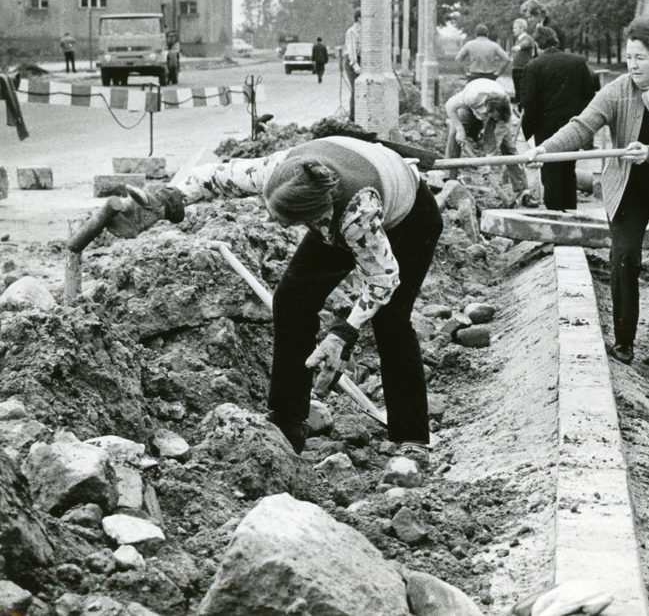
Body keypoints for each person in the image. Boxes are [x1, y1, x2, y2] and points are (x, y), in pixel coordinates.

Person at [106, 137, 444, 468]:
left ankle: (412, 439)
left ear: (316, 214)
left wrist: (343, 333)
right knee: (292, 300)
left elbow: (382, 280)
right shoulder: (281, 171)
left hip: (409, 219)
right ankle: (287, 422)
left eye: (283, 220)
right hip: (342, 210)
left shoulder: (357, 215)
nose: (270, 222)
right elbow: (214, 178)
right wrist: (165, 201)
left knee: (391, 320)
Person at [525, 15, 649, 367]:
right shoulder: (617, 90)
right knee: (624, 257)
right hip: (628, 187)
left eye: (641, 58)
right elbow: (582, 125)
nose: (632, 65)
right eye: (629, 56)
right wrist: (544, 149)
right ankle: (623, 343)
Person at [520, 26, 596, 211]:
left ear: (537, 45)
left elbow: (529, 103)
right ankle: (571, 214)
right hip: (573, 126)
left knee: (550, 174)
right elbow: (589, 95)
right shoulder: (577, 61)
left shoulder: (533, 66)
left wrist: (528, 132)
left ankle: (555, 217)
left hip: (545, 127)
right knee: (568, 171)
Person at [444, 78, 538, 207]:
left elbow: (497, 139)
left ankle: (523, 193)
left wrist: (488, 161)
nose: (495, 119)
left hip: (492, 107)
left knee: (508, 146)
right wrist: (460, 130)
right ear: (489, 109)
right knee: (454, 134)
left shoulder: (504, 109)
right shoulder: (471, 96)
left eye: (497, 118)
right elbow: (449, 105)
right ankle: (449, 184)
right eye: (494, 116)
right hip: (470, 108)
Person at [510, 18, 536, 106]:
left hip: (523, 69)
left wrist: (518, 47)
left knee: (523, 92)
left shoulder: (527, 38)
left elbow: (525, 44)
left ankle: (523, 110)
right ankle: (519, 109)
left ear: (522, 28)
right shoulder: (518, 39)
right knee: (518, 92)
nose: (513, 30)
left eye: (515, 28)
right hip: (516, 69)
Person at [344, 10, 361, 120]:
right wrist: (355, 65)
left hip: (361, 59)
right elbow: (351, 50)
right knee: (356, 88)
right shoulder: (352, 31)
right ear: (359, 18)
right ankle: (353, 117)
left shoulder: (364, 31)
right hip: (351, 61)